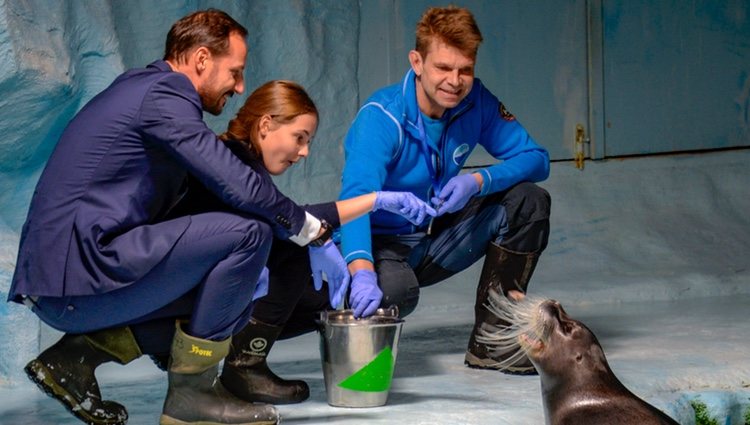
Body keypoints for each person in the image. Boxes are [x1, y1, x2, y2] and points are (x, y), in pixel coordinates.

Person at [8, 10, 432, 425]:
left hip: (73, 276)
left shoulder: (145, 91)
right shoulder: (165, 93)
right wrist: (314, 233)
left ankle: (77, 357)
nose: (241, 84)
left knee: (234, 283)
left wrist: (351, 212)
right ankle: (192, 396)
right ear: (201, 60)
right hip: (81, 273)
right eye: (235, 71)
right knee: (247, 236)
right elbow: (240, 186)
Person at [338, 5, 551, 376]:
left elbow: (537, 159)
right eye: (443, 68)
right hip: (381, 245)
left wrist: (478, 181)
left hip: (434, 236)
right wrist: (362, 272)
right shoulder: (382, 117)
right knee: (395, 294)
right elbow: (353, 202)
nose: (455, 81)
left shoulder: (476, 101)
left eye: (465, 69)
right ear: (417, 62)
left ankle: (492, 341)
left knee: (528, 202)